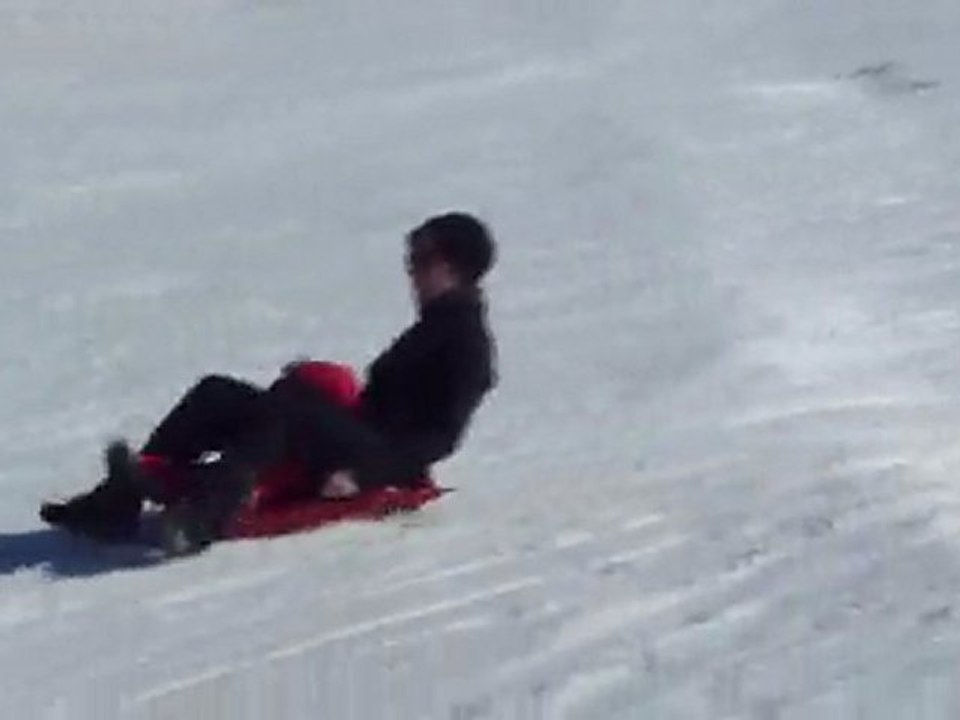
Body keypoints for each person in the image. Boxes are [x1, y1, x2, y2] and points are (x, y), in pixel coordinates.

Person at [41, 212, 497, 550]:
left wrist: (364, 475)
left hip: (378, 454)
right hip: (353, 433)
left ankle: (209, 513)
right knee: (217, 393)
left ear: (456, 269)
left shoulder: (467, 344)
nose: (411, 269)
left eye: (422, 258)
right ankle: (118, 500)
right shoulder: (435, 327)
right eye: (410, 257)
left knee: (292, 407)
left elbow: (442, 437)